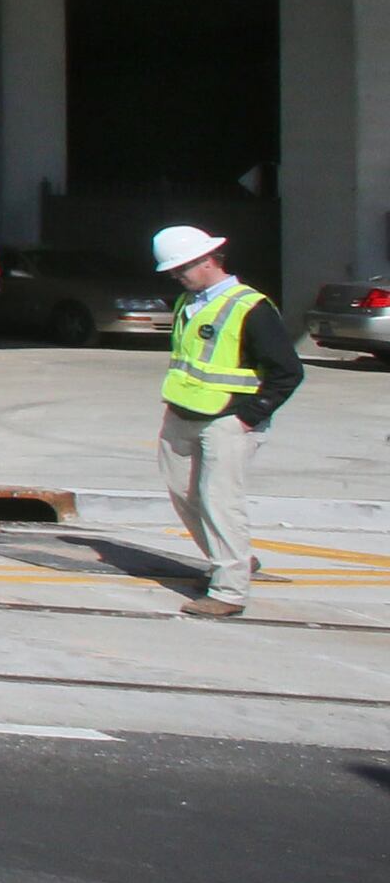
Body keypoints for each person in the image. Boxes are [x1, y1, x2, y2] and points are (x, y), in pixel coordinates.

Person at [151, 225, 301, 617]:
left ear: (209, 260)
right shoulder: (187, 301)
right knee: (184, 494)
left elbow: (287, 371)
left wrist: (250, 417)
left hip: (228, 419)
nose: (176, 276)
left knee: (220, 502)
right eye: (172, 271)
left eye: (182, 268)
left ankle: (229, 591)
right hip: (182, 412)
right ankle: (232, 558)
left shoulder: (250, 307)